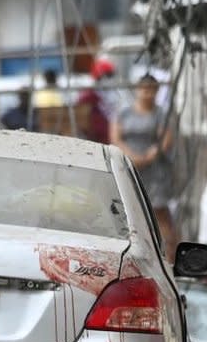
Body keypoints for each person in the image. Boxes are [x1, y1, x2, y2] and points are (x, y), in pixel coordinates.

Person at [111, 74, 177, 261]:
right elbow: (116, 139)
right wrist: (133, 158)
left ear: (156, 92)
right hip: (129, 168)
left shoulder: (160, 114)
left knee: (159, 212)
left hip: (155, 171)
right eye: (143, 89)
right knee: (128, 212)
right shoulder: (124, 113)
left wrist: (148, 157)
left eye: (151, 89)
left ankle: (170, 259)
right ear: (137, 89)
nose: (147, 93)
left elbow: (165, 140)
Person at [76, 57, 116, 144]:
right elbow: (82, 118)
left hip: (112, 135)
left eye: (110, 75)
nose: (109, 79)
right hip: (96, 139)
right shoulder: (89, 96)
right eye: (107, 75)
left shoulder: (115, 93)